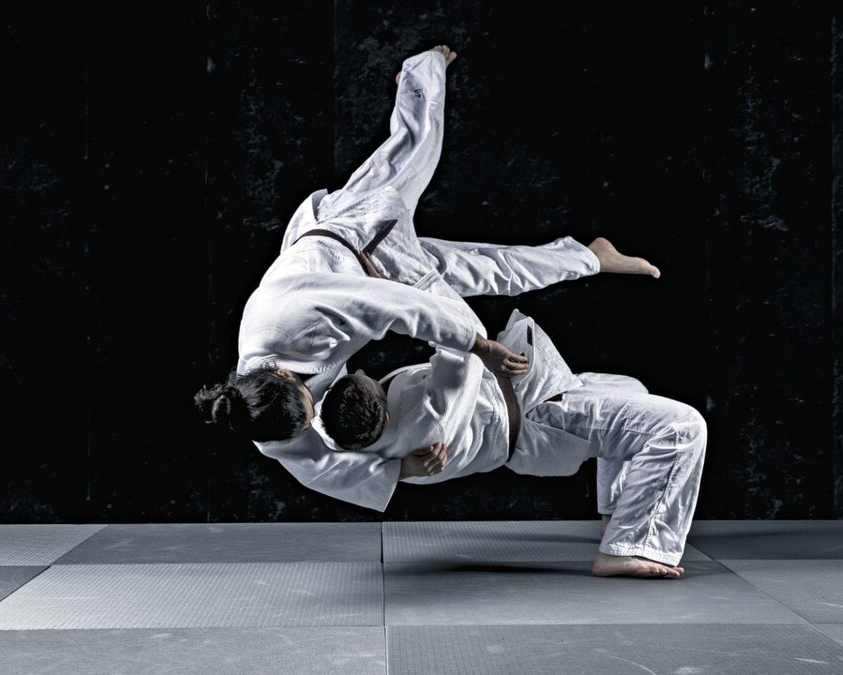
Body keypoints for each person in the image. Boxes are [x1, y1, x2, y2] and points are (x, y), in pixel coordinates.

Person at [196, 45, 659, 511]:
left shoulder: (283, 319)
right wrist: (403, 470)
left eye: (308, 400)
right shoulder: (264, 421)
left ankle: (420, 71)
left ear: (280, 372)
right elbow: (317, 468)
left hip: (355, 234)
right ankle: (589, 257)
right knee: (485, 267)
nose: (316, 409)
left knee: (416, 148)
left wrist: (481, 347)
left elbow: (395, 307)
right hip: (377, 275)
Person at [318, 310, 707, 579]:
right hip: (542, 415)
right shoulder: (426, 421)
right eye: (368, 379)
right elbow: (459, 339)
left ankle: (618, 516)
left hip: (531, 398)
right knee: (680, 427)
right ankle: (627, 549)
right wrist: (400, 301)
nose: (365, 370)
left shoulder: (357, 431)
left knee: (631, 389)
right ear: (384, 415)